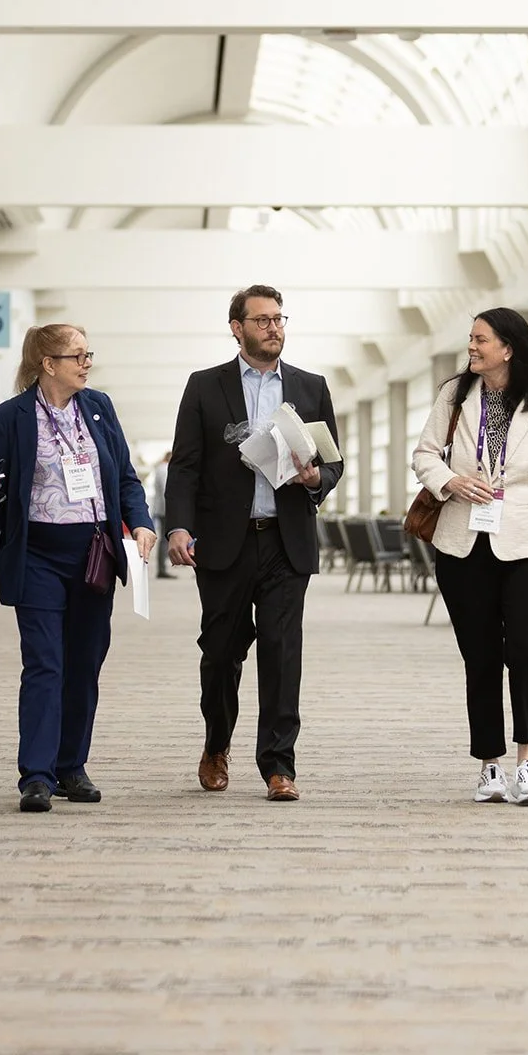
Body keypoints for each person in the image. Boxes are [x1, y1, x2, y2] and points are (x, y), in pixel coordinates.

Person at [412, 307, 528, 807]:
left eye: (480, 339)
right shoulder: (454, 395)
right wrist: (450, 481)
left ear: (508, 348)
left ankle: (527, 765)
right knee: (480, 656)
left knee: (526, 650)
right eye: (471, 338)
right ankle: (489, 766)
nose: (471, 347)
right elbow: (425, 454)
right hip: (463, 543)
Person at [0, 324, 155, 812]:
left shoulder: (99, 407)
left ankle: (72, 766)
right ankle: (36, 774)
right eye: (78, 356)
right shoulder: (9, 418)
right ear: (48, 364)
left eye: (88, 354)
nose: (87, 363)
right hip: (36, 556)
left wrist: (140, 523)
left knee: (84, 663)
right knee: (44, 662)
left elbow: (125, 478)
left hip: (93, 554)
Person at [165, 285, 343, 802]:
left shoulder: (311, 386)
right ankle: (216, 745)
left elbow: (333, 462)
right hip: (225, 543)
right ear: (237, 328)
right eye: (262, 320)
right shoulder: (205, 386)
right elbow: (186, 466)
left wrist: (316, 479)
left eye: (279, 319)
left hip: (286, 542)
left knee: (282, 654)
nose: (273, 328)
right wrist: (179, 527)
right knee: (221, 652)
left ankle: (278, 765)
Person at [152, 450, 172, 578]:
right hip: (165, 510)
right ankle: (162, 569)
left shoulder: (160, 468)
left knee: (164, 539)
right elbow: (167, 490)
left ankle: (162, 568)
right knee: (164, 539)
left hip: (161, 508)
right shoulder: (164, 469)